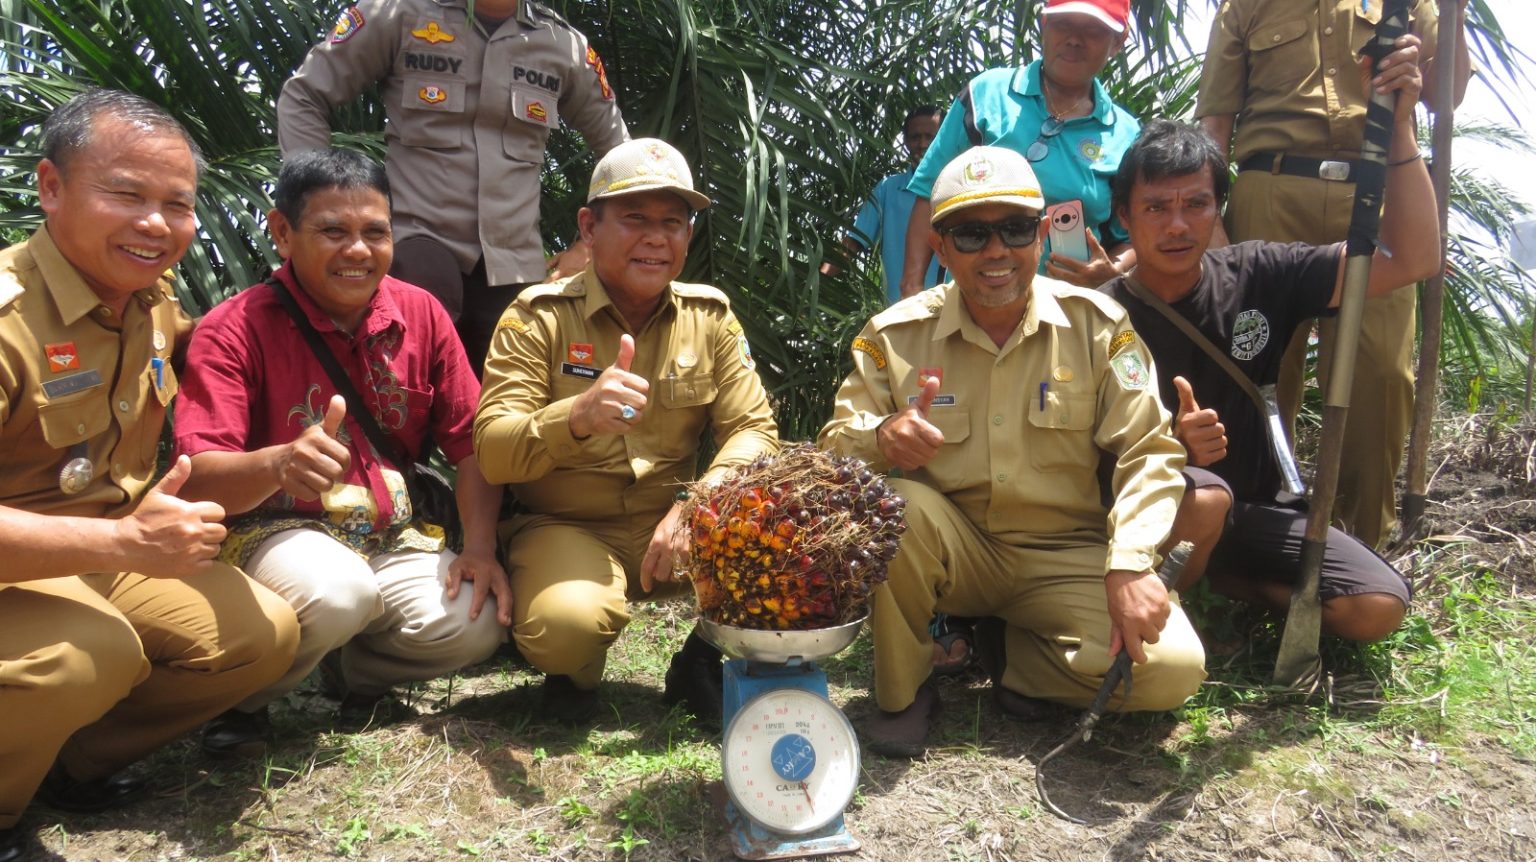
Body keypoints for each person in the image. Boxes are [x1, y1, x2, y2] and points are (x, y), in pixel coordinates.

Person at [819, 145, 1206, 758]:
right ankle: (907, 685)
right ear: (941, 248)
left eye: (1015, 229)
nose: (996, 252)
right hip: (954, 551)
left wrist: (1131, 561)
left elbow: (1150, 448)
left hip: (1065, 553)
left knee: (1173, 671)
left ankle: (1017, 659)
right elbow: (834, 447)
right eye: (971, 235)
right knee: (899, 502)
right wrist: (881, 436)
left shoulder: (1099, 326)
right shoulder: (893, 336)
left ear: (1044, 231)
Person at [0, 89, 300, 862]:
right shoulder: (7, 323)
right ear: (50, 187)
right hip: (21, 563)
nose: (157, 224)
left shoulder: (148, 302)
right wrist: (128, 541)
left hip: (106, 546)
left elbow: (227, 339)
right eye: (126, 194)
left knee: (262, 636)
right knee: (82, 657)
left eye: (178, 203)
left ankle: (69, 763)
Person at [173, 148, 511, 753]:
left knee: (475, 623)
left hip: (389, 534)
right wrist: (276, 464)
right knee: (338, 593)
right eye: (332, 231)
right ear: (282, 232)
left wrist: (481, 550)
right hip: (272, 535)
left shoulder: (421, 313)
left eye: (374, 232)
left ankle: (351, 673)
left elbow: (473, 444)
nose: (357, 250)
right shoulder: (232, 329)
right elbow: (195, 477)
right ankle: (242, 703)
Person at [1102, 85, 1438, 638]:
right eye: (1156, 208)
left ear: (1218, 208)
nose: (1178, 225)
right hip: (1152, 512)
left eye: (1196, 204)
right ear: (1125, 217)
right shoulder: (1100, 314)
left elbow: (1416, 258)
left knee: (1376, 605)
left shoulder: (1261, 273)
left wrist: (1399, 126)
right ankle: (1168, 608)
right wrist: (1171, 448)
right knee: (1202, 497)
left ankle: (1226, 584)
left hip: (1255, 510)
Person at [474, 138, 780, 725]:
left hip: (678, 527)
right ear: (589, 228)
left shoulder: (709, 317)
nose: (656, 238)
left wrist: (697, 505)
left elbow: (753, 430)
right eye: (635, 219)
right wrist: (577, 418)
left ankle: (703, 660)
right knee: (568, 627)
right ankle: (575, 665)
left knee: (798, 552)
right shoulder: (537, 316)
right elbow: (492, 450)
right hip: (568, 526)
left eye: (673, 222)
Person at [1196, 0, 1471, 549]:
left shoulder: (1408, 3)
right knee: (1259, 374)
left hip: (1375, 191)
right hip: (1268, 193)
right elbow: (1215, 121)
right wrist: (1214, 233)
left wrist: (1443, 31)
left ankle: (1358, 545)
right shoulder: (1243, 6)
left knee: (1382, 376)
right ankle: (1256, 538)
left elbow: (1449, 95)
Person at [278, 0, 631, 374]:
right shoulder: (400, 14)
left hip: (513, 266)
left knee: (510, 408)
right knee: (407, 386)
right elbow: (304, 97)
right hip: (417, 243)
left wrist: (589, 247)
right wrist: (315, 208)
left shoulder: (563, 44)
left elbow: (624, 156)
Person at [897, 0, 1141, 298]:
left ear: (1118, 41)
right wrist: (911, 289)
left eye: (1092, 29)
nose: (1075, 39)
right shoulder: (986, 95)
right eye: (1063, 23)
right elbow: (928, 192)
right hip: (973, 305)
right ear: (1044, 25)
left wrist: (1111, 273)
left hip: (1071, 314)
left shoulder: (1126, 135)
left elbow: (1131, 233)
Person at [822, 105, 945, 305]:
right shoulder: (888, 189)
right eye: (915, 137)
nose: (923, 144)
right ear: (905, 141)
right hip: (901, 315)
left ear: (945, 138)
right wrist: (817, 286)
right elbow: (853, 243)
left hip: (956, 313)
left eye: (931, 137)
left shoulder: (962, 186)